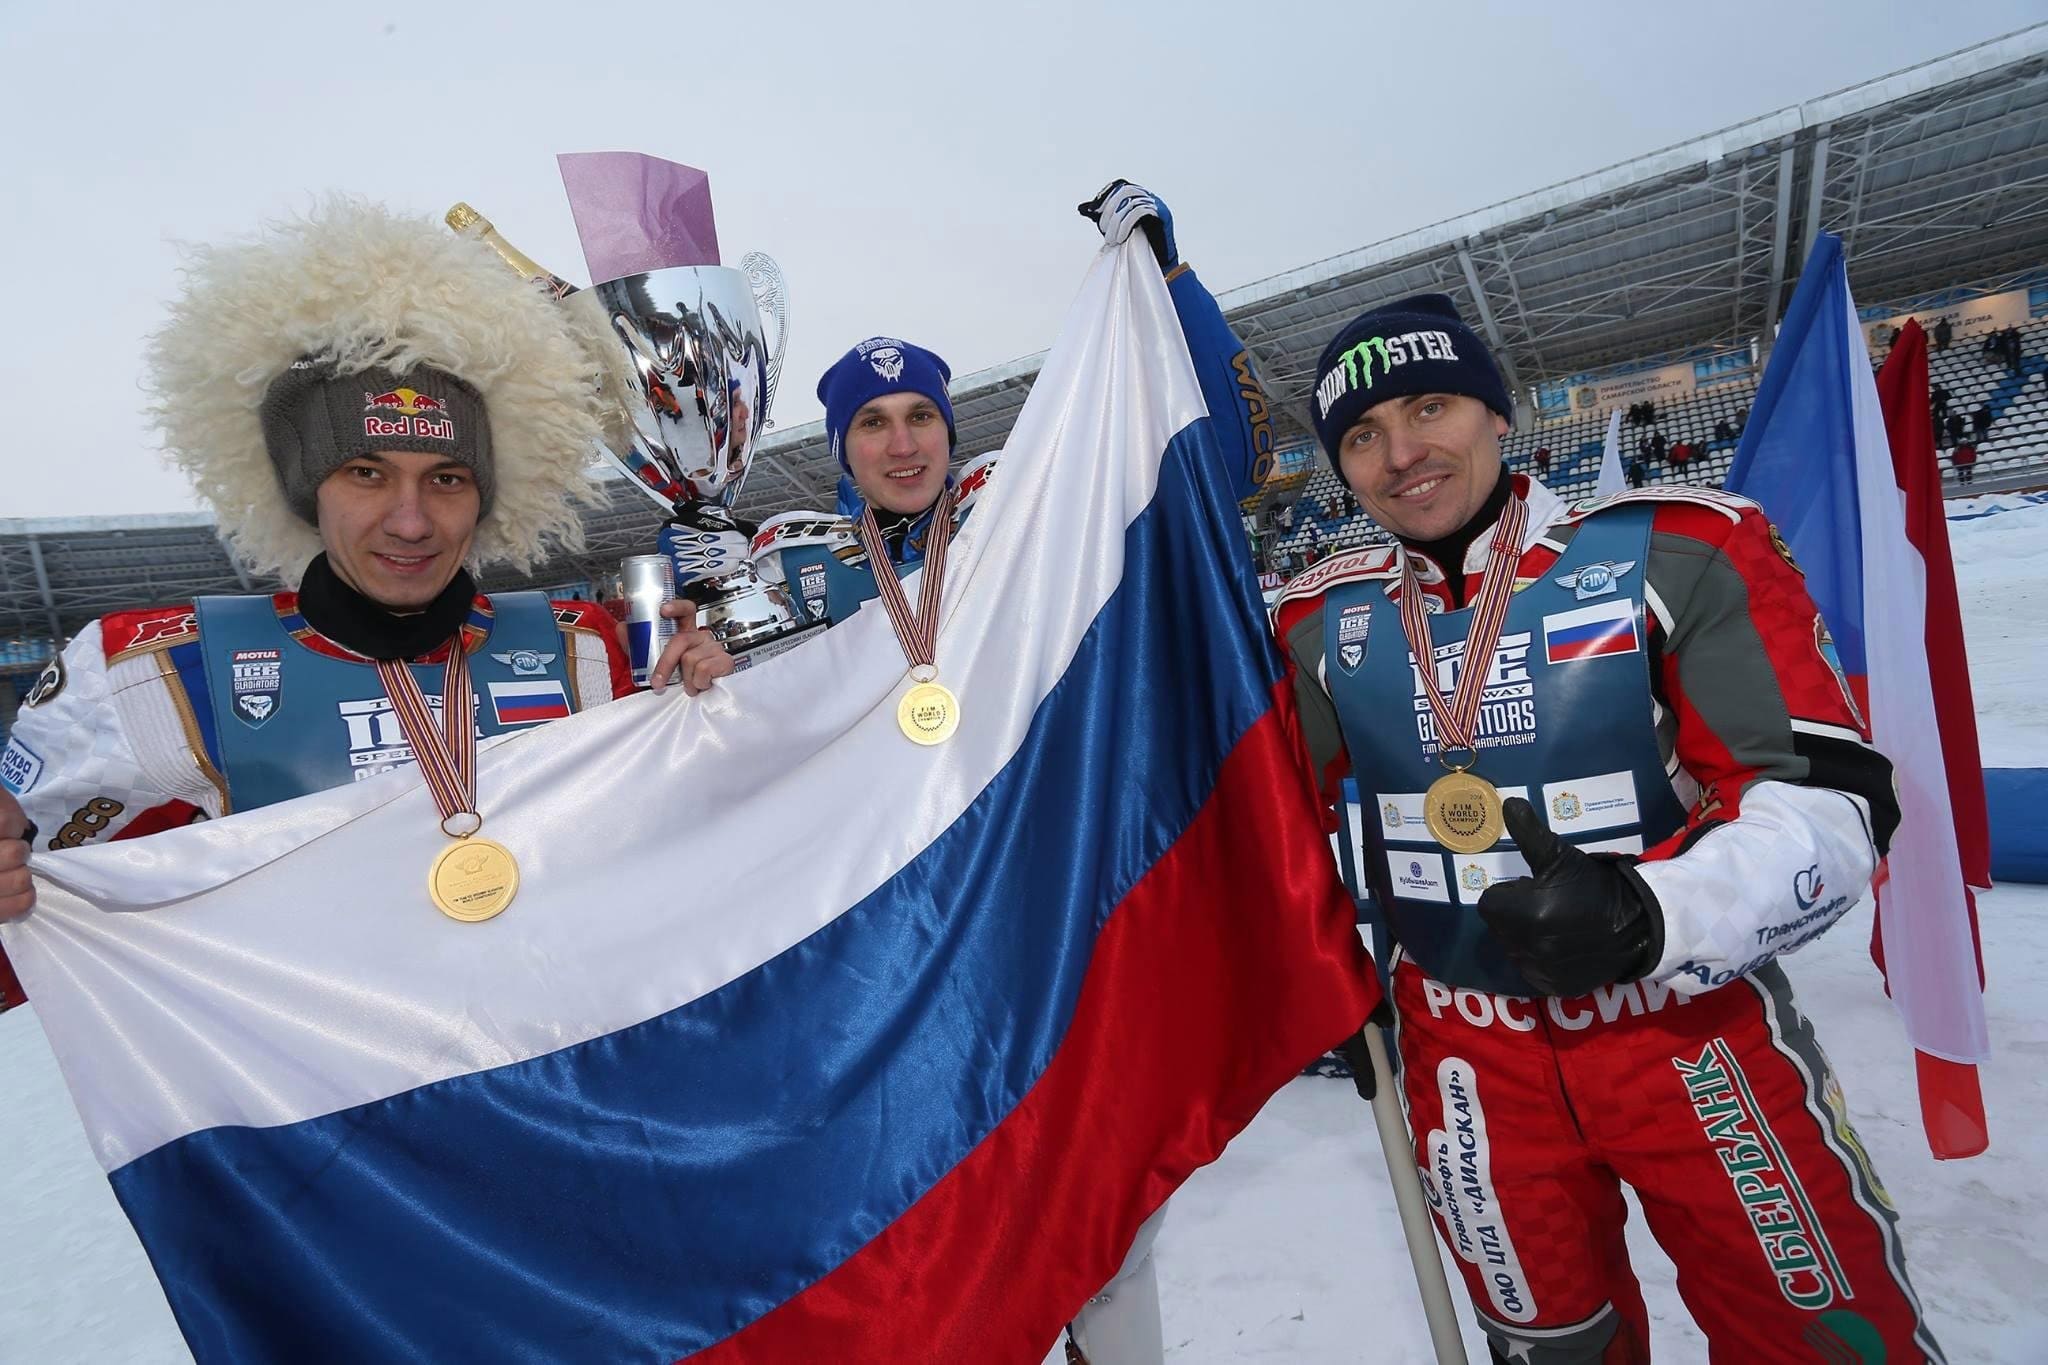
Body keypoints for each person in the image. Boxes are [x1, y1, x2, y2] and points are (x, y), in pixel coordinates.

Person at [1272, 293, 1939, 1363]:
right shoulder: (1315, 621)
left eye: (1429, 406)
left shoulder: (1676, 550)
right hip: (1460, 1065)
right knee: (1554, 1354)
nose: (1401, 453)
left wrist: (1651, 910)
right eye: (1360, 435)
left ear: (1500, 413)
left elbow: (1834, 804)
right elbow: (1239, 824)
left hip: (1685, 1034)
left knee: (1820, 1338)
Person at [744, 182, 1277, 1365]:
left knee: (1106, 1209)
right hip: (886, 952)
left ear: (949, 427)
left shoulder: (1021, 513)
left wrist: (1169, 285)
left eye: (917, 416)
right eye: (872, 423)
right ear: (840, 448)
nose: (900, 441)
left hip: (1047, 910)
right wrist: (686, 670)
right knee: (932, 1225)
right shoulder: (787, 576)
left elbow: (1219, 458)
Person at [0, 201, 679, 973]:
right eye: (366, 473)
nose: (412, 521)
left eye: (448, 478)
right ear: (305, 490)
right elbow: (42, 940)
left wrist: (715, 713)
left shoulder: (583, 648)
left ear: (484, 496)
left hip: (551, 1063)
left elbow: (668, 852)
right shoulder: (150, 674)